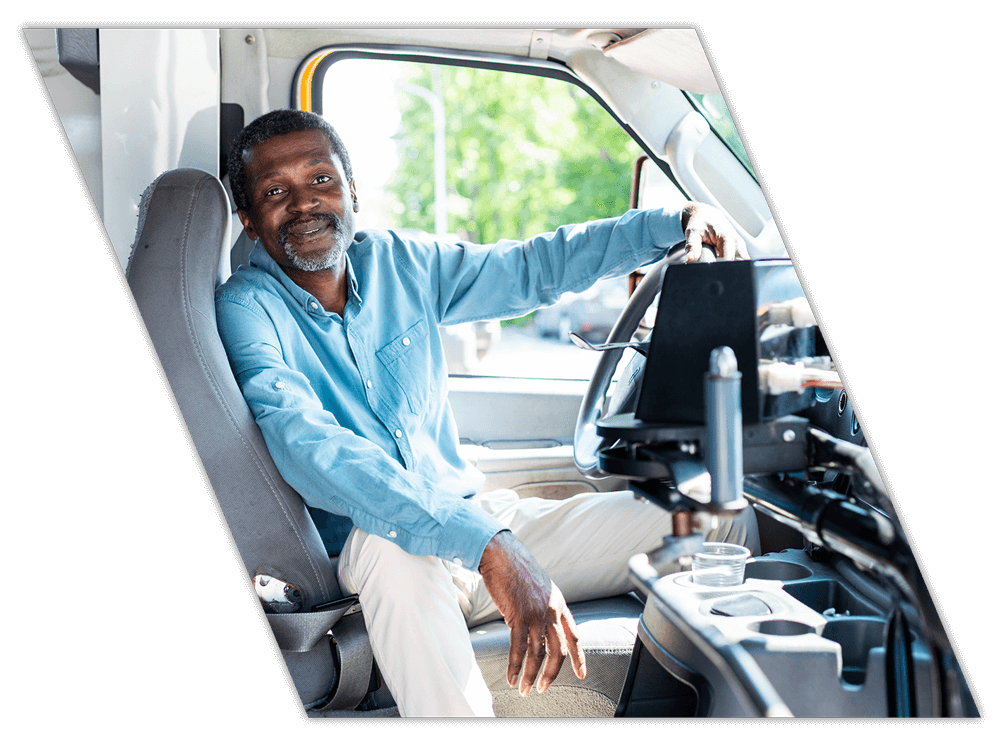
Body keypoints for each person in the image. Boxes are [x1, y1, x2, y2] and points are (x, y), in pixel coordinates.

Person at [216, 109, 758, 716]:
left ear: (352, 191)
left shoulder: (401, 262)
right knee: (393, 551)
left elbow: (533, 267)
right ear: (249, 219)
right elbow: (310, 446)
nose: (305, 204)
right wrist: (488, 544)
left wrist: (673, 222)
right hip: (377, 552)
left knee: (719, 519)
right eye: (275, 192)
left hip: (476, 519)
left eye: (321, 180)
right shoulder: (246, 308)